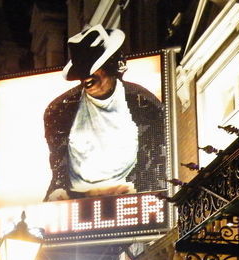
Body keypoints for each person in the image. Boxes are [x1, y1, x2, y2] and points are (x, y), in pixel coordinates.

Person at [43, 24, 165, 201]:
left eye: (93, 66)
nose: (86, 76)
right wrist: (59, 192)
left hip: (132, 200)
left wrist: (145, 192)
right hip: (75, 203)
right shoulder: (59, 110)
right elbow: (57, 167)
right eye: (81, 69)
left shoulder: (145, 104)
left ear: (111, 66)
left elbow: (157, 162)